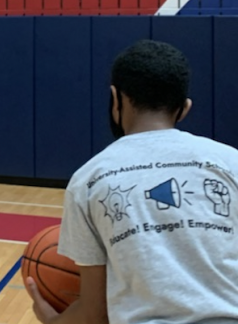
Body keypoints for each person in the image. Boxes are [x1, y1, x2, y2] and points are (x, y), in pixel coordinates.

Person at [26, 39, 238, 324]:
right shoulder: (230, 162)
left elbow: (93, 314)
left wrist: (50, 320)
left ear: (116, 99)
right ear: (184, 108)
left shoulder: (88, 180)